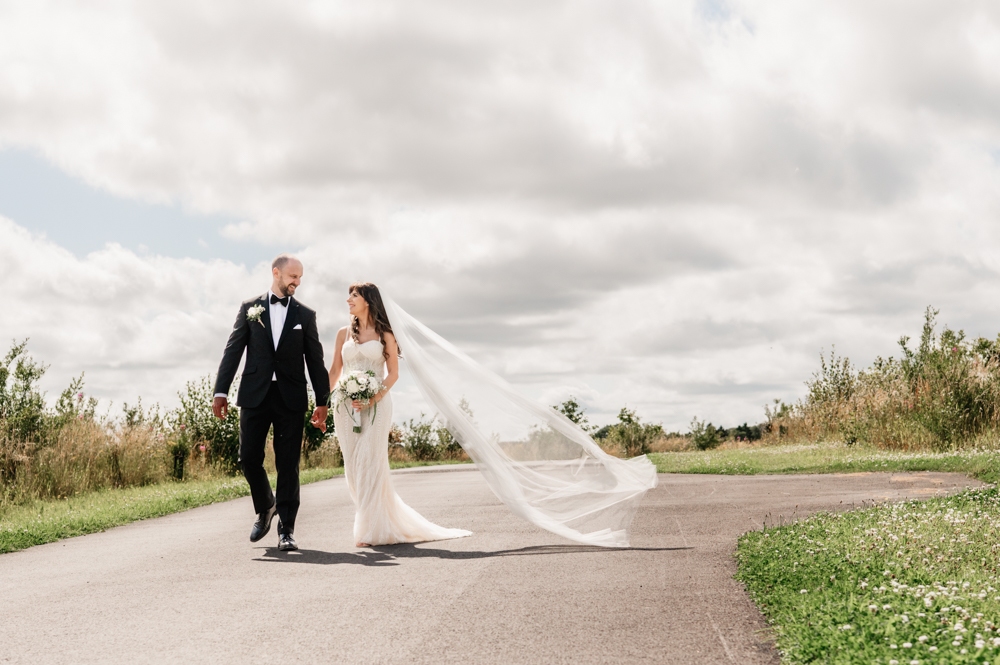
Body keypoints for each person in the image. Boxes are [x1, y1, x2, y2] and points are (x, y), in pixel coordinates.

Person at [328, 282, 472, 547]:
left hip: (377, 406)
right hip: (345, 408)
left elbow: (393, 373)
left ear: (368, 301)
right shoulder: (342, 333)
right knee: (352, 466)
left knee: (370, 462)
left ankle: (372, 530)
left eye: (354, 295)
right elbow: (335, 370)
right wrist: (325, 403)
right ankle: (372, 519)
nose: (348, 299)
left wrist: (372, 398)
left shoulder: (386, 334)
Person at [212, 254, 330, 552]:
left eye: (300, 277)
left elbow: (316, 361)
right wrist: (220, 391)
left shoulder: (306, 315)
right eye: (293, 276)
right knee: (247, 457)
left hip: (291, 397)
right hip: (255, 394)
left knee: (288, 465)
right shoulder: (250, 308)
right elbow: (233, 350)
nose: (297, 282)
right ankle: (266, 506)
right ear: (276, 273)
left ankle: (286, 530)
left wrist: (322, 401)